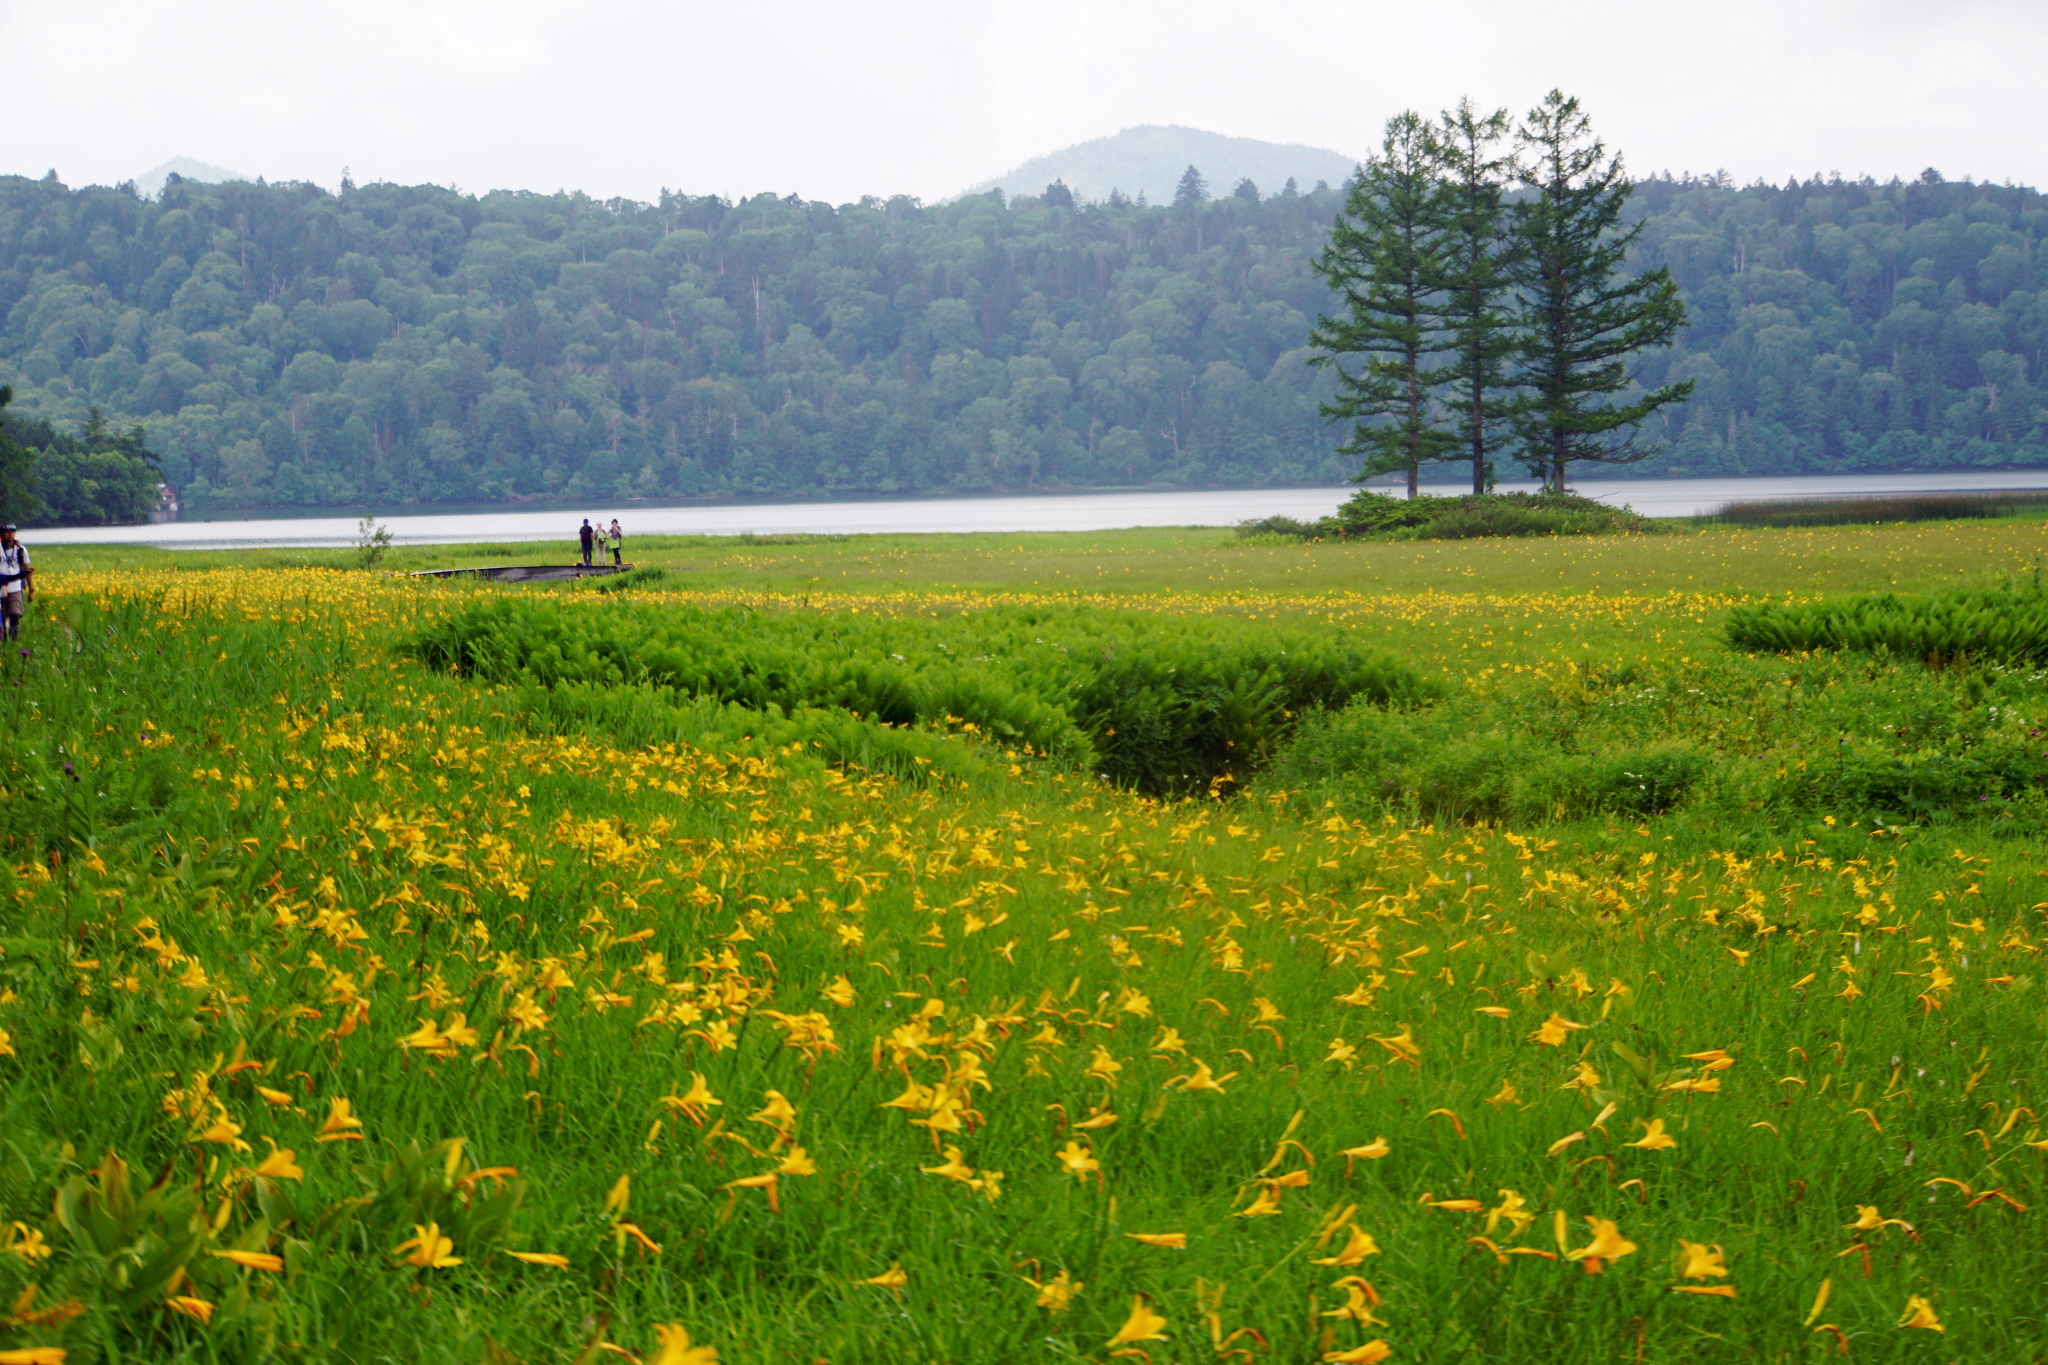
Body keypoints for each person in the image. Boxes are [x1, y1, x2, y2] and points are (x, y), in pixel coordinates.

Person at [0, 525, 31, 641]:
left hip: (16, 587)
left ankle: (13, 641)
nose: (10, 534)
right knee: (2, 617)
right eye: (7, 532)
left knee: (15, 614)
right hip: (1, 587)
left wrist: (31, 589)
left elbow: (27, 569)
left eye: (13, 532)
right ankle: (4, 641)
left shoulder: (21, 550)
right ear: (2, 534)